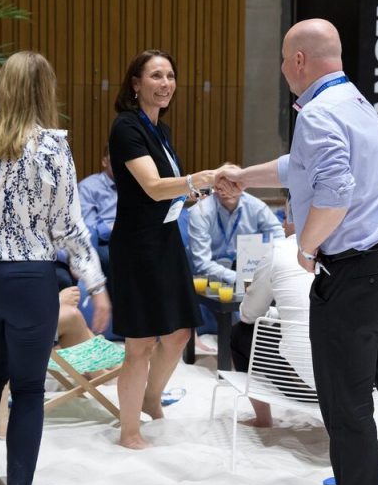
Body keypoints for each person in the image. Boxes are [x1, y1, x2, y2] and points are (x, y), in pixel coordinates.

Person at [216, 19, 378, 485]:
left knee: (345, 397)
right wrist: (241, 175)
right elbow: (298, 167)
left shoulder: (318, 113)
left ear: (299, 60)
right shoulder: (353, 101)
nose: (281, 70)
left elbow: (335, 191)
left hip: (357, 272)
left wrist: (306, 246)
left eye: (282, 60)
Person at [0, 51, 111, 485]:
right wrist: (96, 285)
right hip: (30, 278)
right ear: (46, 92)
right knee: (30, 387)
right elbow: (69, 227)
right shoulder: (53, 147)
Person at [107, 48, 220, 450]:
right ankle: (128, 430)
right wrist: (195, 178)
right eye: (156, 76)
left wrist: (200, 192)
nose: (165, 84)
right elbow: (153, 186)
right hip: (137, 246)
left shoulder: (161, 131)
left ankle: (151, 398)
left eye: (170, 76)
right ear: (135, 84)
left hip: (166, 240)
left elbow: (166, 196)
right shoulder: (126, 128)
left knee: (178, 333)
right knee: (140, 343)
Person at [230, 212, 316, 427]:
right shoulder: (346, 249)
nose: (282, 223)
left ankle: (263, 418)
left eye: (286, 217)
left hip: (303, 388)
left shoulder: (280, 251)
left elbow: (249, 315)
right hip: (359, 383)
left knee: (240, 333)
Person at [188, 187, 284, 289]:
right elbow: (202, 264)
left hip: (247, 269)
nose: (228, 189)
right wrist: (240, 278)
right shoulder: (201, 211)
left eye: (233, 184)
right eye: (222, 185)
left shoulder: (256, 206)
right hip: (208, 278)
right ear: (215, 188)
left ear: (242, 185)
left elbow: (279, 238)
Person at [78, 145, 117, 281]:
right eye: (115, 159)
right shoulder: (88, 187)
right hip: (103, 242)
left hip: (133, 239)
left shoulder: (135, 187)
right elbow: (89, 228)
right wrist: (114, 228)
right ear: (104, 162)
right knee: (112, 256)